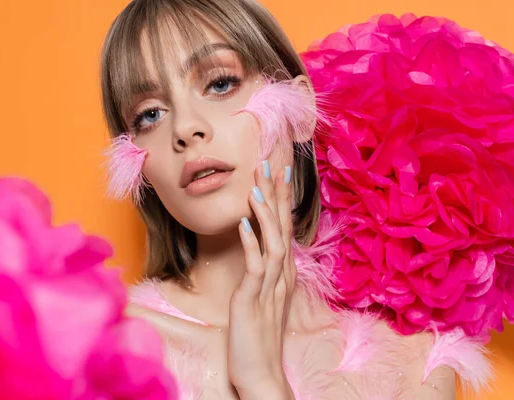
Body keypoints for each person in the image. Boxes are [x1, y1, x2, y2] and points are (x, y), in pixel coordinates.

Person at [99, 1, 498, 399]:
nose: (185, 129)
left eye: (220, 83)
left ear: (302, 108)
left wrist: (263, 384)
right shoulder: (115, 350)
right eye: (149, 115)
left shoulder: (414, 356)